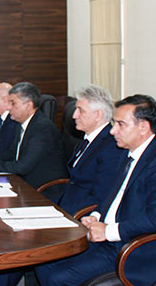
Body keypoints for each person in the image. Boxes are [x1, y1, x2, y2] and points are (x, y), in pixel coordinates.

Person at [36, 95, 156, 286]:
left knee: (59, 277)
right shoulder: (128, 152)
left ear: (143, 127)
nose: (113, 131)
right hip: (110, 239)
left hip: (133, 247)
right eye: (114, 123)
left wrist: (108, 231)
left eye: (121, 124)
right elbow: (113, 195)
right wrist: (96, 216)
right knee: (45, 262)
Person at [0, 82, 67, 194]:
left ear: (28, 105)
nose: (9, 107)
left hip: (42, 191)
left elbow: (22, 166)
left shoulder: (41, 128)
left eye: (13, 103)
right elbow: (11, 153)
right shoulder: (23, 124)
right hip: (23, 183)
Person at [55, 85, 124, 216]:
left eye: (80, 111)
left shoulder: (111, 147)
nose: (74, 115)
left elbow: (101, 196)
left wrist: (63, 214)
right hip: (67, 204)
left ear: (98, 115)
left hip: (81, 214)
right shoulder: (88, 139)